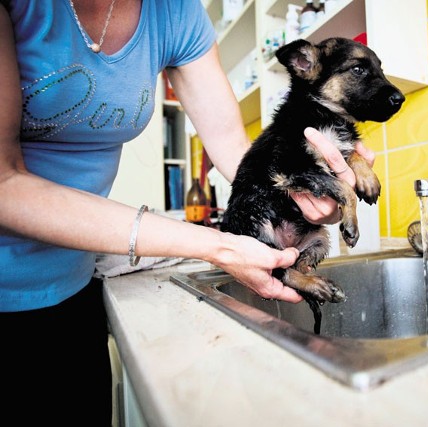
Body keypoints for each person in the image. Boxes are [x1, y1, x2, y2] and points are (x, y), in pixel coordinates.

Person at [0, 0, 374, 425]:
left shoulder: (174, 12)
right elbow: (3, 185)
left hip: (73, 281)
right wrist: (216, 245)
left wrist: (303, 197)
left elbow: (236, 151)